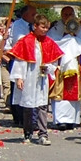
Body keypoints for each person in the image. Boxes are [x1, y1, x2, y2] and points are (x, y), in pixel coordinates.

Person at [10, 14, 63, 145]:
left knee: (42, 105)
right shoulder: (25, 41)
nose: (45, 30)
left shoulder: (49, 42)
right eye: (43, 27)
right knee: (28, 106)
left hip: (41, 78)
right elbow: (20, 60)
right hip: (29, 76)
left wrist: (49, 68)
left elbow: (55, 62)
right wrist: (19, 78)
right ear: (35, 26)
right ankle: (27, 133)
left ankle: (43, 134)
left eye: (47, 28)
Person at [47, 7, 81, 130]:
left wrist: (73, 38)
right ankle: (61, 120)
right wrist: (67, 39)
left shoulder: (79, 27)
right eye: (65, 14)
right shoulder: (56, 28)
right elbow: (53, 42)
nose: (67, 16)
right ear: (61, 15)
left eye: (70, 14)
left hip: (74, 64)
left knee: (73, 92)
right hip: (61, 64)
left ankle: (72, 119)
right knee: (60, 93)